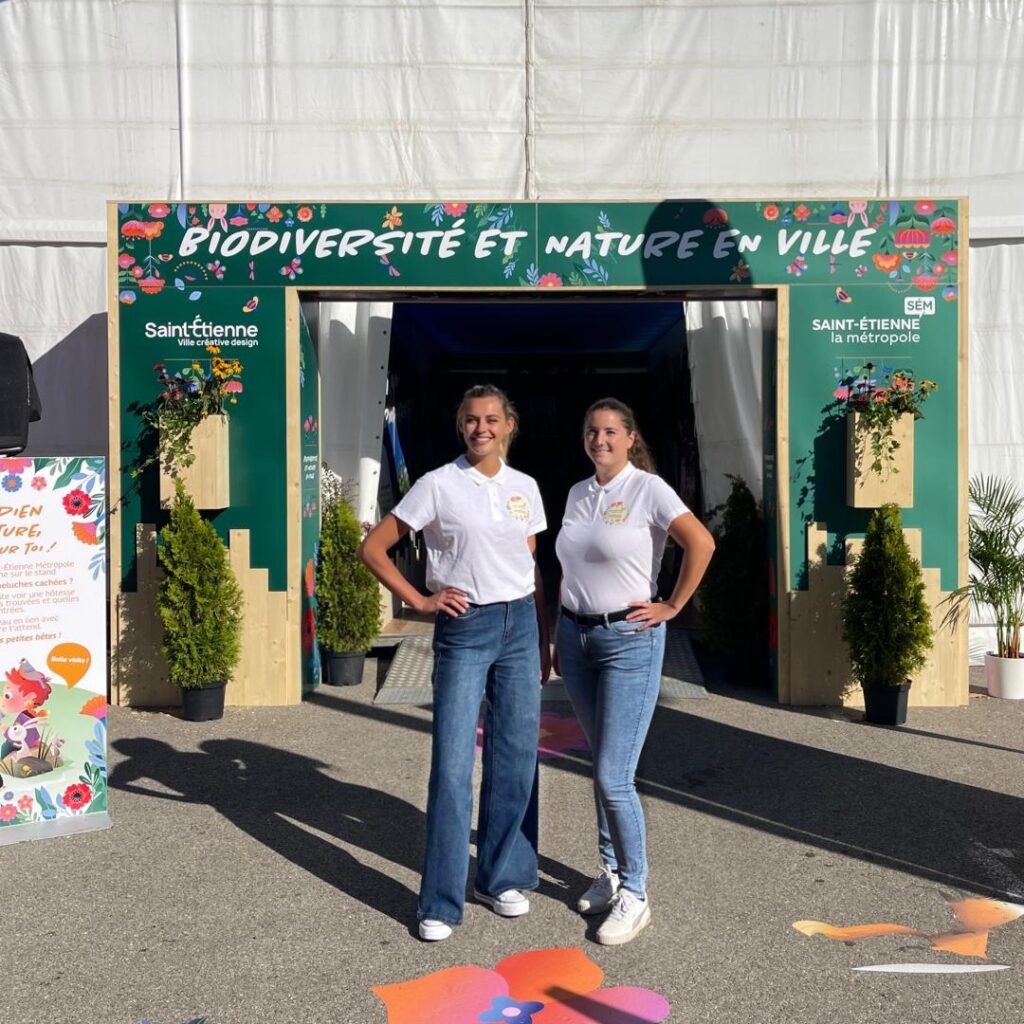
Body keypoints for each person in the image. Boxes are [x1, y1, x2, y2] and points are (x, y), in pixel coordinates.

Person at [358, 384, 550, 942]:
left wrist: (541, 638)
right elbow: (374, 548)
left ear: (509, 424)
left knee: (515, 758)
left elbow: (528, 563)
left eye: (492, 418)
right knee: (452, 767)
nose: (481, 428)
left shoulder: (526, 488)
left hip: (518, 625)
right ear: (459, 425)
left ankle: (499, 874)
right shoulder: (437, 485)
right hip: (464, 629)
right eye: (471, 419)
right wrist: (418, 600)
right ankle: (440, 901)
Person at [554, 397, 715, 945]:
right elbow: (570, 565)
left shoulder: (649, 489)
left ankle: (637, 894)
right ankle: (612, 872)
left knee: (613, 776)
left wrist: (672, 604)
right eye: (591, 431)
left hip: (629, 639)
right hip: (575, 635)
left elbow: (701, 542)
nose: (599, 440)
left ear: (630, 438)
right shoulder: (579, 493)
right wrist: (557, 632)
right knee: (600, 763)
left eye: (609, 432)